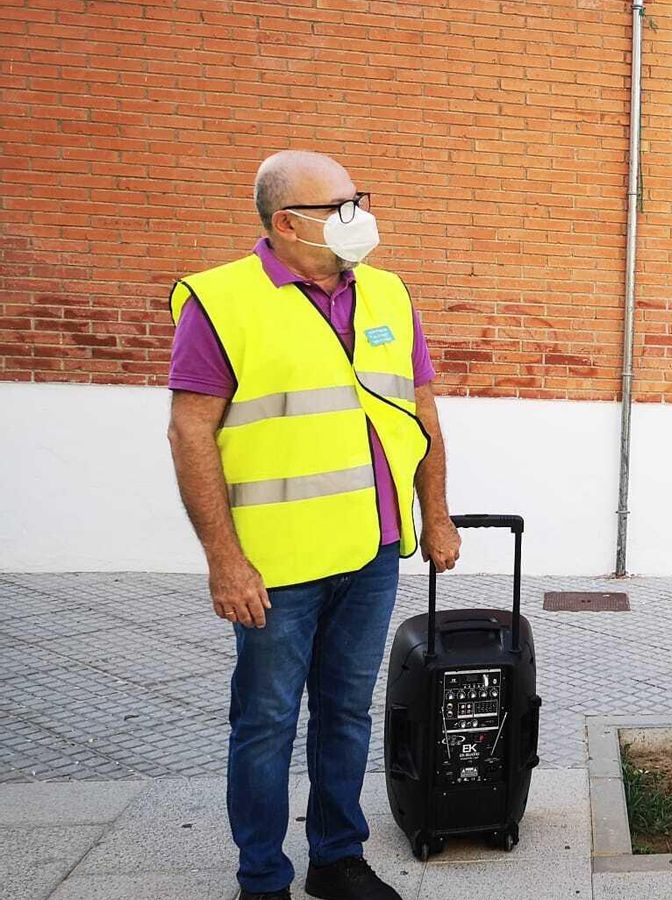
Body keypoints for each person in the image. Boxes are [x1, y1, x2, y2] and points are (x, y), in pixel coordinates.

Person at [167, 151, 462, 900]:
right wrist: (223, 560)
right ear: (286, 222)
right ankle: (262, 877)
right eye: (340, 205)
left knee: (345, 711)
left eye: (356, 198)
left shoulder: (388, 294)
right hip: (276, 562)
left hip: (371, 549)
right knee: (265, 721)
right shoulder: (221, 300)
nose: (357, 216)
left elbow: (421, 410)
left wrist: (438, 515)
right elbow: (190, 431)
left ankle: (337, 858)